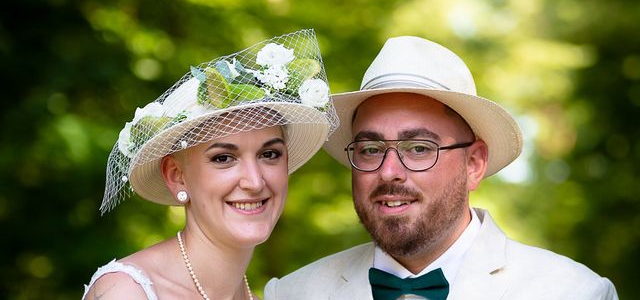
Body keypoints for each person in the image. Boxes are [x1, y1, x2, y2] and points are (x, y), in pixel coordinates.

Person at [264, 35, 618, 300]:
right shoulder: (292, 293)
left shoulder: (574, 292)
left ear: (474, 164)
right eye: (371, 149)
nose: (389, 172)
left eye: (418, 148)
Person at [82, 29, 338, 300]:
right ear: (176, 175)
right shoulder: (127, 293)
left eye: (270, 154)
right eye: (223, 158)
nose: (254, 181)